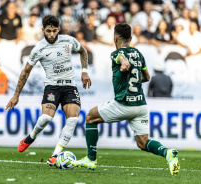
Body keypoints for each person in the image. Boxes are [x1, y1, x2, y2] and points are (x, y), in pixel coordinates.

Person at [72, 23, 180, 176]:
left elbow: (120, 57)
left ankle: (91, 159)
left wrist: (124, 62)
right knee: (143, 142)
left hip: (123, 104)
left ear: (115, 37)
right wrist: (132, 78)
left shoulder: (115, 53)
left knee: (90, 117)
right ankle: (167, 153)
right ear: (131, 37)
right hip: (141, 105)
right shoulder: (139, 54)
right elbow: (147, 77)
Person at [5, 15, 91, 167]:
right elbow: (26, 71)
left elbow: (83, 50)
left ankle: (55, 155)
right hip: (52, 87)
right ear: (43, 30)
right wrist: (16, 95)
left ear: (58, 29)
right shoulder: (39, 48)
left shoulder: (68, 41)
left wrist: (84, 71)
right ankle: (31, 136)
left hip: (70, 86)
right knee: (46, 118)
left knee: (73, 119)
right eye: (48, 31)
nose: (51, 34)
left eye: (54, 31)